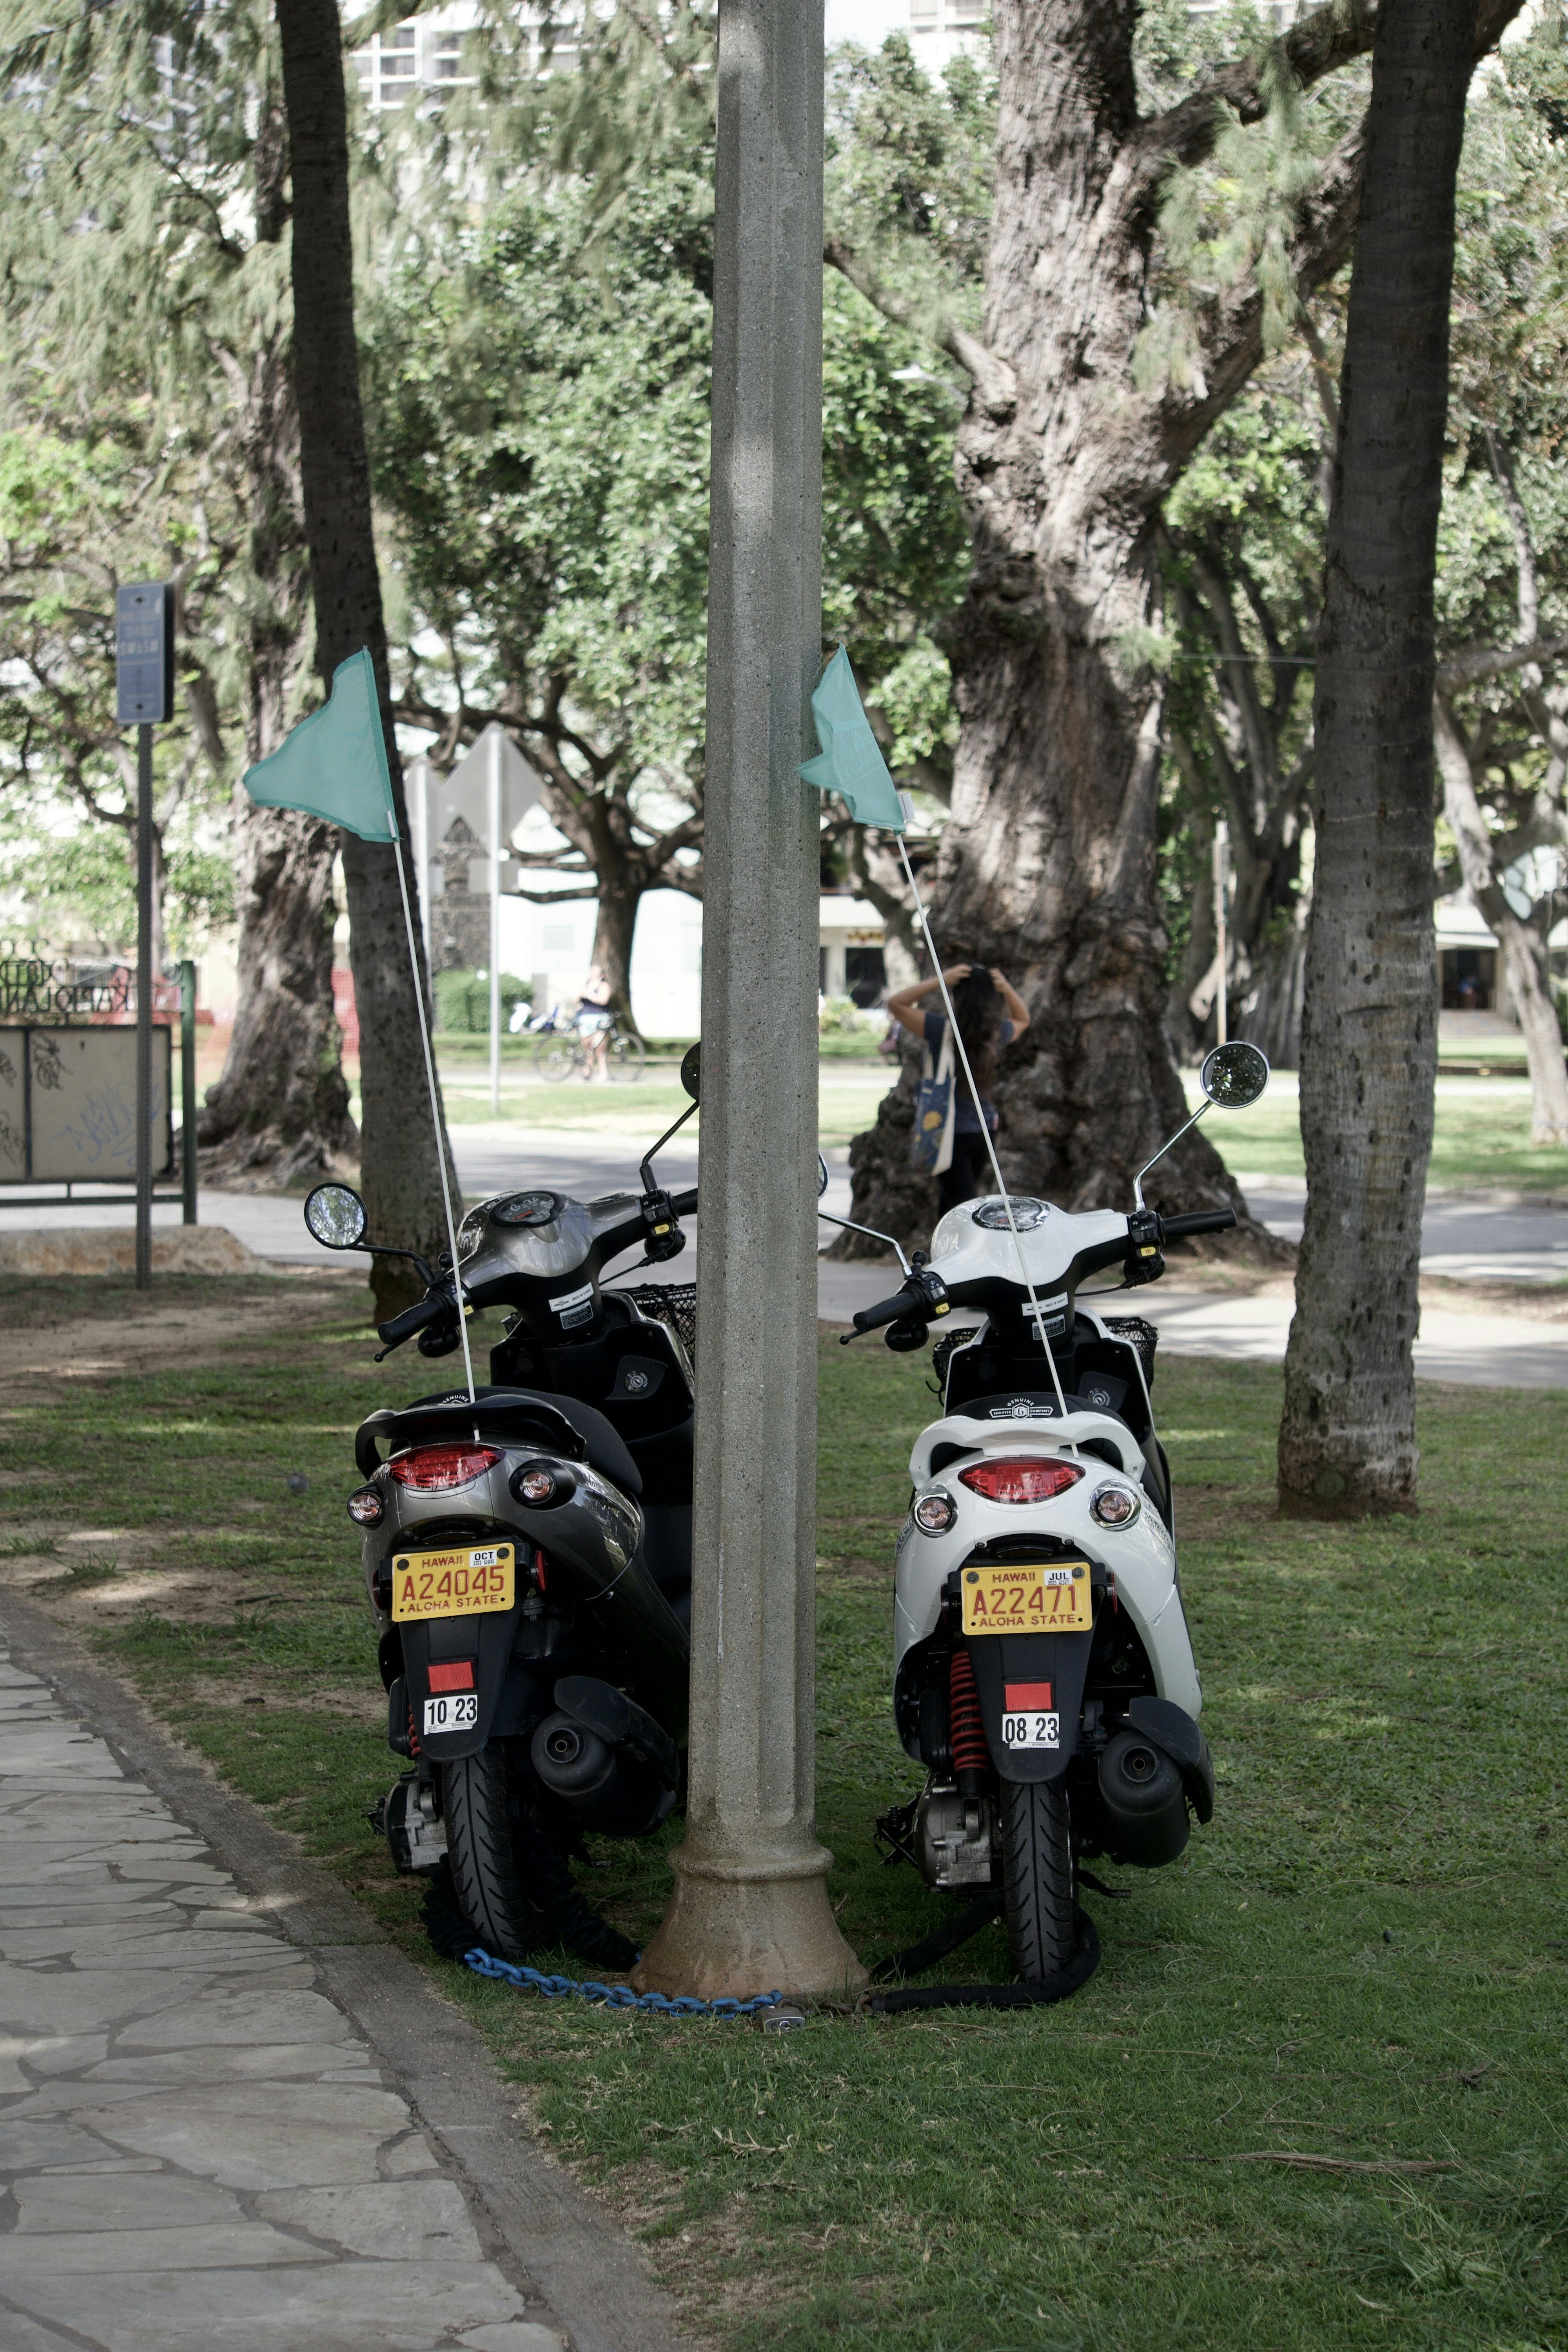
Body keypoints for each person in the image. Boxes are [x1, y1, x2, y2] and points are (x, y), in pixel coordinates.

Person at [883, 963, 1031, 1214]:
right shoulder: (995, 1034)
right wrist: (1006, 988)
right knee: (954, 1206)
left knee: (963, 1210)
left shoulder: (942, 1031)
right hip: (984, 1133)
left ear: (956, 997)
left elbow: (896, 1004)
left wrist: (940, 980)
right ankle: (941, 1254)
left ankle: (951, 1254)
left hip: (947, 1134)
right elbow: (1023, 1019)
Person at [576, 964, 613, 1081]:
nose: (592, 974)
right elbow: (575, 1000)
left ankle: (604, 1073)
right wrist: (581, 994)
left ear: (601, 975)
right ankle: (587, 1072)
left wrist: (590, 995)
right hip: (585, 1018)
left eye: (595, 972)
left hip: (599, 1018)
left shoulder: (603, 986)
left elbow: (603, 1000)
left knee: (600, 1047)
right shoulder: (586, 986)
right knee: (587, 1047)